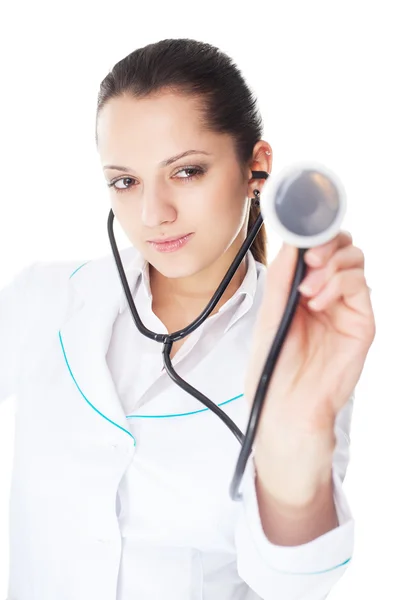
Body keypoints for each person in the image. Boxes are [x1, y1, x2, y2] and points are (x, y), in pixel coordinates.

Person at [0, 38, 375, 600]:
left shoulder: (301, 337)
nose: (153, 214)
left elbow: (291, 582)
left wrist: (295, 439)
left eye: (186, 172)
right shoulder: (44, 298)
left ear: (257, 167)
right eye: (125, 181)